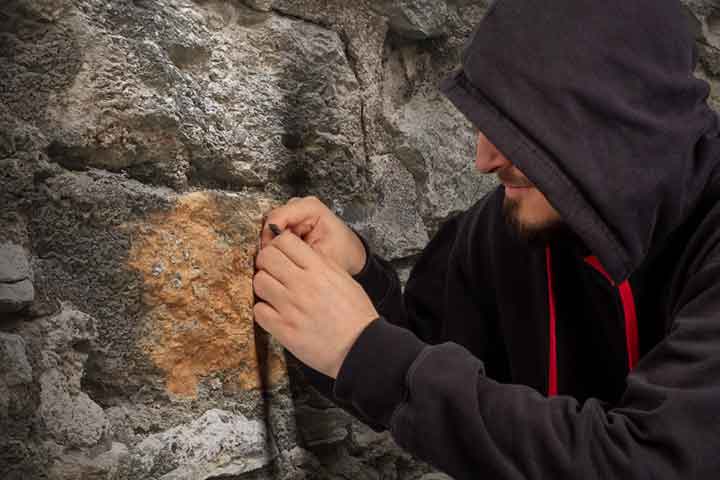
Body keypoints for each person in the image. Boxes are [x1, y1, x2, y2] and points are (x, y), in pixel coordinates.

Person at [252, 0, 720, 477]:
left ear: (607, 112)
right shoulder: (501, 231)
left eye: (515, 123)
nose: (483, 158)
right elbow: (429, 371)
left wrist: (364, 351)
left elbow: (655, 461)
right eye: (486, 122)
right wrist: (356, 279)